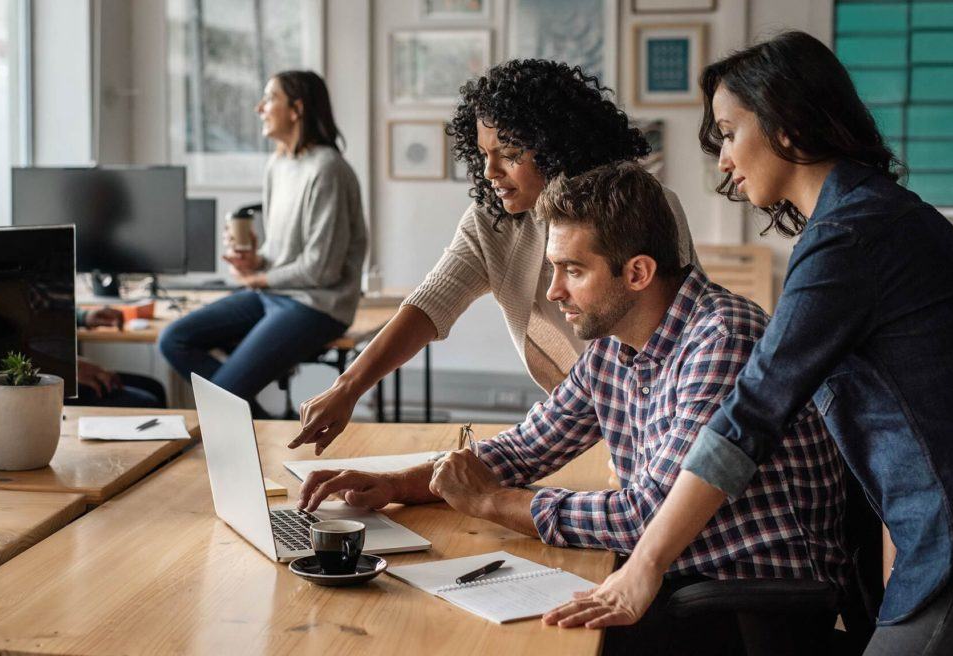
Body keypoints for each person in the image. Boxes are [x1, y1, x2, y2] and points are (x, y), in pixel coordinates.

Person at [548, 32, 953, 656]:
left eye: (729, 132)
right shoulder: (867, 219)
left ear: (786, 122)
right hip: (945, 535)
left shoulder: (851, 239)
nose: (724, 160)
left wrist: (645, 565)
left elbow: (751, 413)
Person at [297, 162, 847, 655]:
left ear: (636, 273)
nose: (554, 292)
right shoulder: (615, 343)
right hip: (673, 579)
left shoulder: (720, 338)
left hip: (739, 602)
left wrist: (491, 503)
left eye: (572, 271)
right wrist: (400, 483)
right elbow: (525, 448)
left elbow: (642, 516)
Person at [289, 59, 699, 454]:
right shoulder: (493, 220)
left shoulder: (639, 208)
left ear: (558, 145)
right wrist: (347, 389)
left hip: (660, 413)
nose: (489, 171)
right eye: (483, 154)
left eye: (508, 153)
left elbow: (675, 335)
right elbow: (431, 303)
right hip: (576, 416)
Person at [158, 70, 367, 418]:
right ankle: (260, 424)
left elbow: (322, 268)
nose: (259, 107)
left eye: (270, 98)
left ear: (296, 109)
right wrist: (255, 261)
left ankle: (244, 421)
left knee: (223, 394)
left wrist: (259, 279)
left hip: (317, 306)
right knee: (173, 339)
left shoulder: (328, 169)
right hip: (274, 295)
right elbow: (281, 254)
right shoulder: (277, 165)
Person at [0, 155, 166, 408]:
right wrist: (64, 370)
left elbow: (17, 310)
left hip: (30, 368)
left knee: (151, 387)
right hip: (7, 388)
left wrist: (83, 318)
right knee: (146, 400)